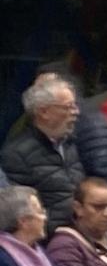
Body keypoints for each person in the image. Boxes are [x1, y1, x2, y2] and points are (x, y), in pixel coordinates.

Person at [3, 75, 86, 227]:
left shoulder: (72, 145)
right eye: (68, 107)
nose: (76, 112)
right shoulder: (17, 154)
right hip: (48, 241)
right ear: (43, 112)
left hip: (81, 236)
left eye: (75, 106)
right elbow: (21, 212)